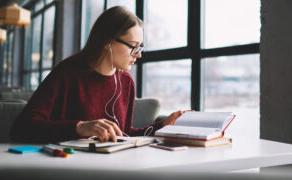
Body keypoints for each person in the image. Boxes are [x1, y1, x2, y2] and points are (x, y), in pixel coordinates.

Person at [10, 6, 185, 143]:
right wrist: (79, 128)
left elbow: (124, 134)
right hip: (67, 165)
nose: (138, 54)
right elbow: (23, 127)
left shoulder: (126, 82)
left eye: (140, 47)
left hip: (110, 167)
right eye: (133, 46)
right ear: (107, 42)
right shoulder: (67, 73)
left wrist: (162, 125)